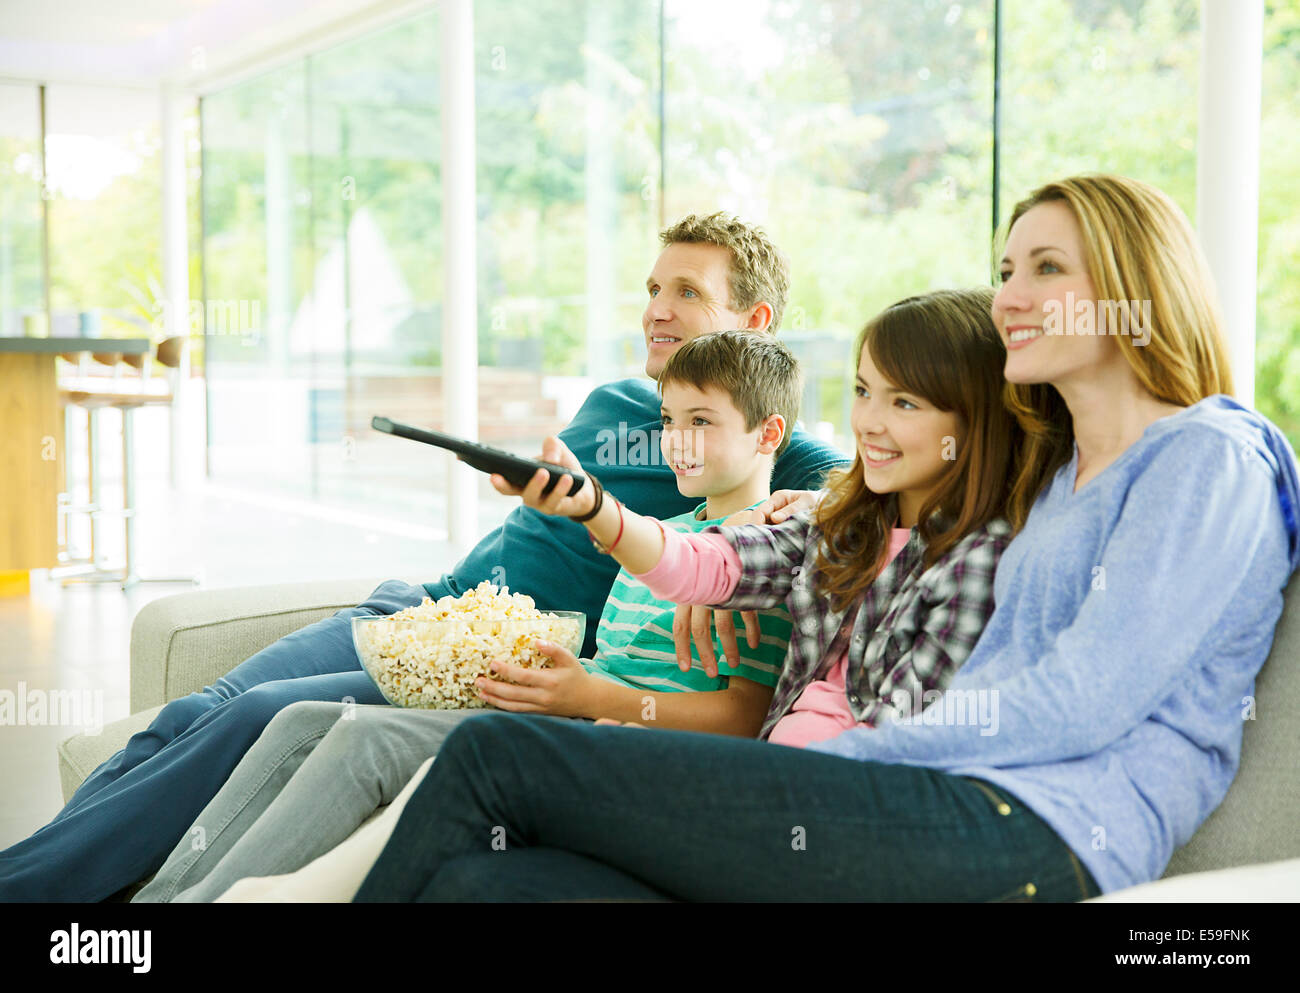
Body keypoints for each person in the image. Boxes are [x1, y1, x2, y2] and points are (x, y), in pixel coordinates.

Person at [352, 174, 1300, 902]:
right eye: (1008, 269)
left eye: (1048, 267)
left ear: (1135, 285)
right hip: (927, 799)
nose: (1011, 293)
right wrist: (796, 509)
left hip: (1034, 826)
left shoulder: (1207, 455)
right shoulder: (1052, 477)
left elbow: (1084, 700)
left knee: (494, 756)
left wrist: (822, 765)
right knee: (491, 885)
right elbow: (907, 501)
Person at [0, 214, 849, 903]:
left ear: (755, 325)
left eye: (688, 292)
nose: (657, 309)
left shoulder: (766, 446)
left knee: (263, 711)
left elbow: (870, 500)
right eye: (653, 287)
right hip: (423, 605)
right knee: (202, 709)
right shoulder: (626, 402)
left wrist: (789, 514)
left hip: (486, 657)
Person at [157, 285, 1023, 903]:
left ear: (971, 421)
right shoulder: (836, 524)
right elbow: (703, 567)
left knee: (484, 757)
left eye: (904, 401)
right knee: (471, 875)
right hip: (725, 772)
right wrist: (596, 509)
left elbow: (890, 742)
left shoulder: (977, 559)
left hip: (798, 807)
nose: (872, 420)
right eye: (865, 393)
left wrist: (603, 706)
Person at [134, 329, 803, 902]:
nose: (677, 442)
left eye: (701, 421)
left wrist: (592, 693)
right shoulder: (660, 541)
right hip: (561, 715)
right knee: (306, 718)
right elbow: (618, 625)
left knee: (371, 741)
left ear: (768, 432)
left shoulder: (765, 561)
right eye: (668, 420)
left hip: (620, 749)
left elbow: (742, 716)